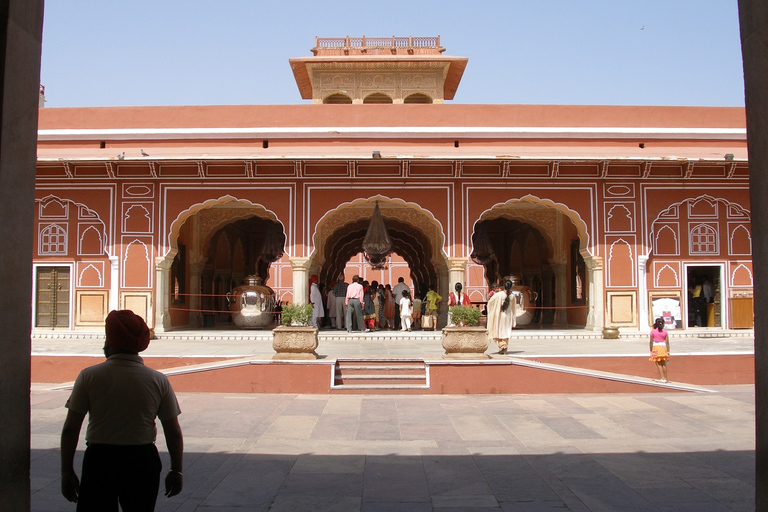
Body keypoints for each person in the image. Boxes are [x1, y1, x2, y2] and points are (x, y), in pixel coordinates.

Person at [60, 310, 183, 511]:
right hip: (142, 461)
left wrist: (66, 472)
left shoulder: (89, 376)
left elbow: (70, 429)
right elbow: (173, 432)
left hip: (100, 460)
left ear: (110, 341)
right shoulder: (157, 380)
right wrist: (177, 470)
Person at [486, 280, 516, 354]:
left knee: (496, 332)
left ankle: (502, 345)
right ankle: (504, 348)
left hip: (499, 316)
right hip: (508, 316)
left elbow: (490, 302)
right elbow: (514, 308)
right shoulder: (512, 296)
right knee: (506, 332)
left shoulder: (499, 295)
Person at [649, 317, 671, 382]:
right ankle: (665, 378)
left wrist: (651, 350)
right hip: (663, 347)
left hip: (655, 347)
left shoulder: (653, 332)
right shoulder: (665, 332)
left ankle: (662, 378)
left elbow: (651, 342)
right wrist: (668, 351)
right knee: (664, 363)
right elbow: (667, 342)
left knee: (658, 363)